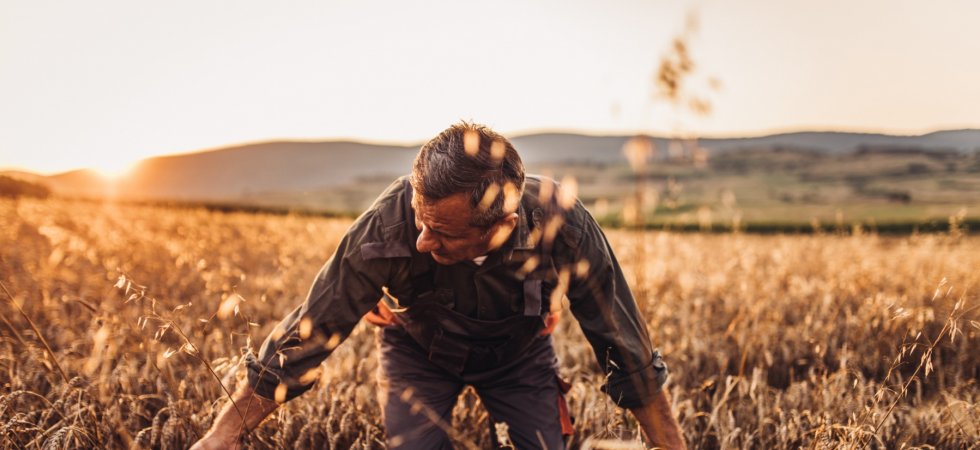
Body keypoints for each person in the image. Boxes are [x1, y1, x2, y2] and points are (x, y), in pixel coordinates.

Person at [190, 122, 686, 449]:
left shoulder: (564, 225)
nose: (422, 241)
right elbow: (311, 331)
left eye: (443, 232)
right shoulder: (385, 224)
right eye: (418, 221)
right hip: (416, 355)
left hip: (519, 358)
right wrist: (222, 435)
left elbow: (624, 347)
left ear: (502, 225)